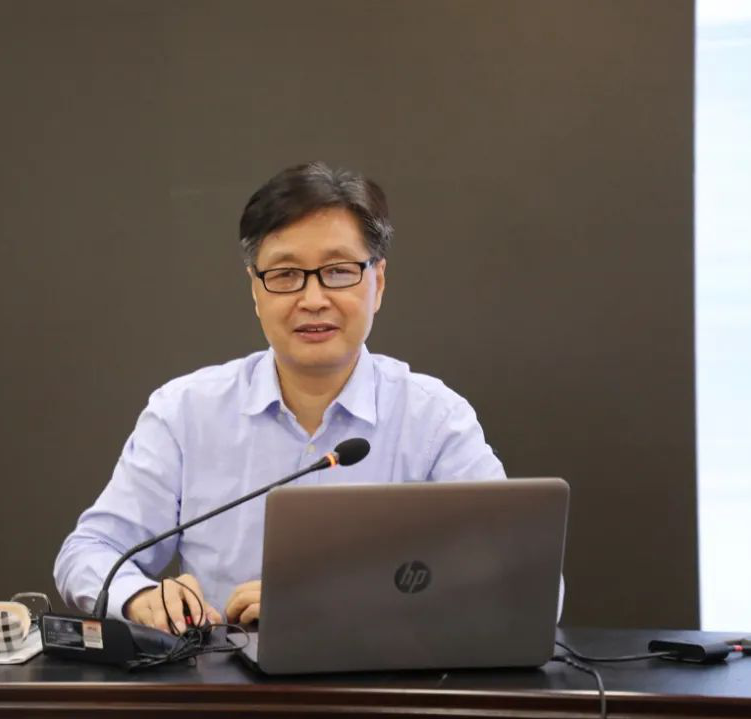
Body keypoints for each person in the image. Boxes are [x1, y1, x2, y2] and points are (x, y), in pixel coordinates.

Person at [53, 162, 506, 633]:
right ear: (255, 289)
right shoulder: (186, 413)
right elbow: (89, 551)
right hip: (223, 675)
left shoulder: (434, 420)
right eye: (286, 275)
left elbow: (510, 573)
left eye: (338, 272)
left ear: (379, 283)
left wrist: (333, 602)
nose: (312, 299)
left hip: (386, 673)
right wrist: (140, 598)